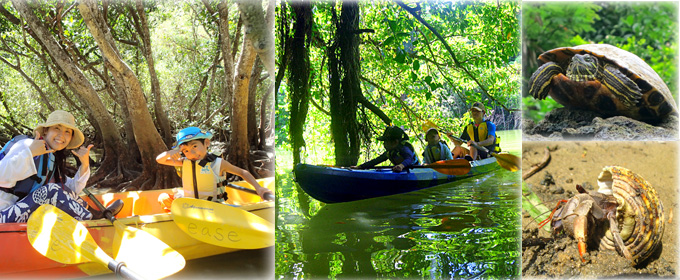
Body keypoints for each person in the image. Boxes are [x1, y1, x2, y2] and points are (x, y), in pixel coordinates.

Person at [0, 110, 123, 223]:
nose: (61, 135)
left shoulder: (50, 157)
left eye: (67, 132)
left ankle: (95, 213)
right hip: (3, 215)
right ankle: (95, 218)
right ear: (46, 131)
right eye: (57, 129)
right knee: (51, 190)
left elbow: (70, 190)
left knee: (58, 188)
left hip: (17, 211)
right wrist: (30, 153)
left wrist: (85, 164)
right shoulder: (26, 145)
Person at [156, 127, 273, 210]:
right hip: (191, 206)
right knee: (164, 198)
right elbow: (159, 160)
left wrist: (259, 188)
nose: (191, 153)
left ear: (206, 143)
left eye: (195, 146)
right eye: (185, 151)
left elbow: (242, 172)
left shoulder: (218, 163)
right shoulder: (183, 162)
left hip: (214, 207)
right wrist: (172, 152)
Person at [353, 126, 420, 172]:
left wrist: (401, 166)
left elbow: (409, 159)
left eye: (386, 141)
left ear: (395, 142)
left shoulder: (404, 148)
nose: (384, 144)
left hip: (416, 171)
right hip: (404, 172)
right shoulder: (390, 152)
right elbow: (376, 161)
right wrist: (360, 167)